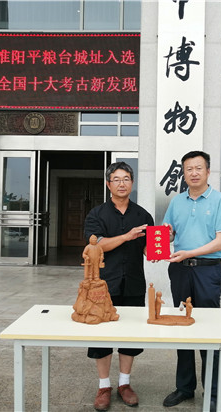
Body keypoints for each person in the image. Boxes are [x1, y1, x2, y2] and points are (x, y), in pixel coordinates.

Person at [162, 151, 221, 412]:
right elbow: (169, 234)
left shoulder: (220, 201)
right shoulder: (176, 202)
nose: (193, 173)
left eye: (198, 168)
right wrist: (160, 240)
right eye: (189, 169)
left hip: (207, 271)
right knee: (182, 326)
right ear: (183, 173)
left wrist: (190, 252)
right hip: (180, 271)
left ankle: (212, 392)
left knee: (208, 328)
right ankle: (184, 387)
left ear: (207, 171)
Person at [83, 161, 154, 412]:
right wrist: (126, 236)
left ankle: (125, 383)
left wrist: (158, 247)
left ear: (132, 183)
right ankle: (104, 386)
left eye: (126, 179)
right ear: (108, 184)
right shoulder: (97, 214)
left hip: (134, 282)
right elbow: (96, 245)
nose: (121, 183)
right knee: (101, 335)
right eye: (116, 179)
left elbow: (148, 248)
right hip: (103, 285)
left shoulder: (143, 215)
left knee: (130, 335)